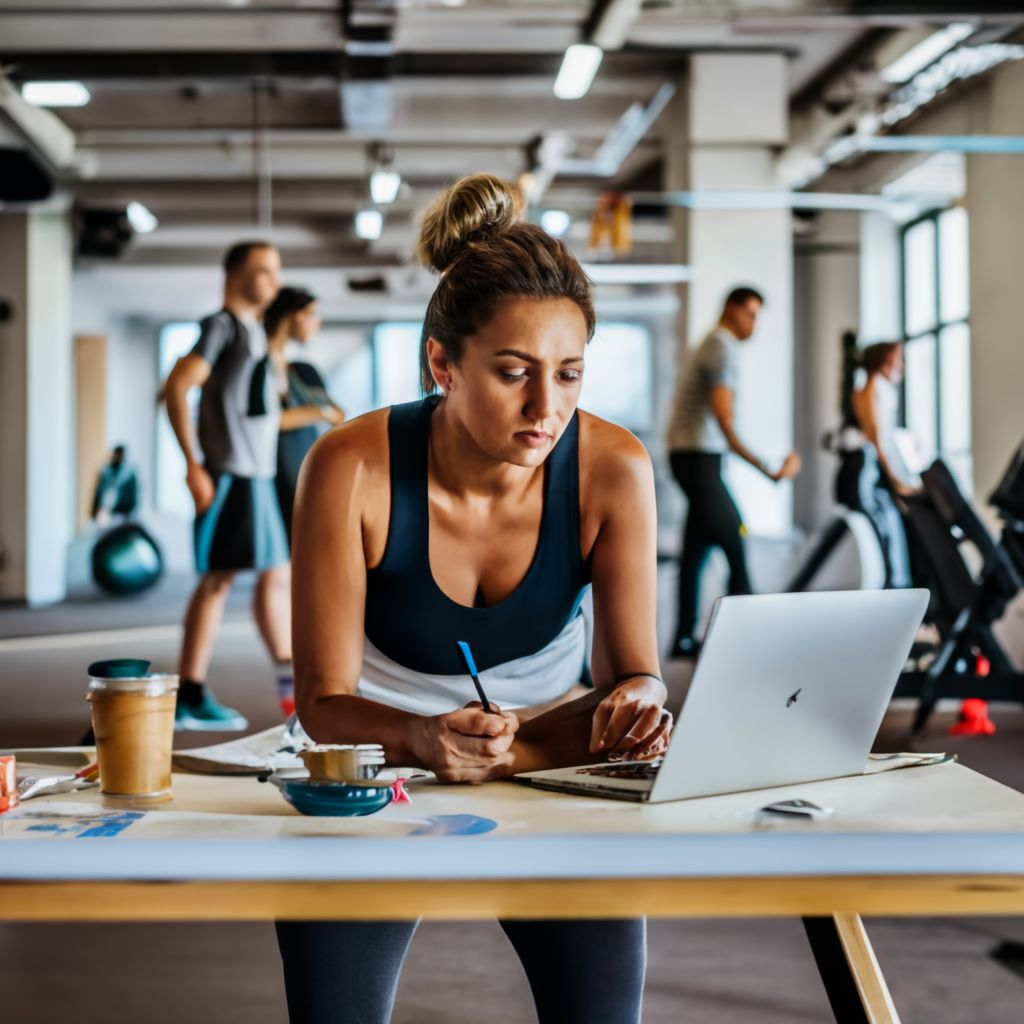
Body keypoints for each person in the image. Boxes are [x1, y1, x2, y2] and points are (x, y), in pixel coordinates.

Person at [279, 173, 673, 1024]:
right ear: (441, 365)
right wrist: (423, 737)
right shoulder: (350, 469)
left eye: (569, 375)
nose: (547, 407)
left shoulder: (614, 469)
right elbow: (321, 702)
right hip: (375, 756)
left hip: (554, 755)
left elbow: (632, 672)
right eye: (513, 372)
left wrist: (644, 698)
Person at [162, 241, 292, 730]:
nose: (272, 282)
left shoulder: (254, 331)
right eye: (262, 272)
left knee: (268, 574)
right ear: (236, 274)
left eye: (275, 272)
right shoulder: (220, 327)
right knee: (219, 580)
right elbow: (177, 386)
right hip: (230, 472)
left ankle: (291, 687)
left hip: (253, 474)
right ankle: (190, 692)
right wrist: (193, 464)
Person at [665, 287, 801, 659]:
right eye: (750, 315)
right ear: (730, 309)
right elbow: (725, 422)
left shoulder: (713, 344)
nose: (754, 324)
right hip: (698, 458)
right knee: (734, 538)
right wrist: (767, 468)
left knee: (695, 552)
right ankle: (750, 641)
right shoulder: (721, 347)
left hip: (693, 457)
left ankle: (682, 639)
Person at [264, 286, 344, 541]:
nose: (316, 322)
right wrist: (317, 412)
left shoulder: (298, 370)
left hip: (299, 467)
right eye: (311, 313)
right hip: (271, 472)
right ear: (292, 315)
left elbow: (338, 414)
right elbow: (267, 420)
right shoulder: (257, 364)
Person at [839, 341, 916, 587]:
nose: (901, 367)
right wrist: (896, 480)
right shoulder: (870, 390)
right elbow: (877, 439)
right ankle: (896, 586)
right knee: (888, 525)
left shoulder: (881, 390)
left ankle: (899, 585)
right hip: (865, 476)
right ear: (883, 361)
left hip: (872, 472)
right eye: (897, 359)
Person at [90, 444, 139, 522]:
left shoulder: (130, 473)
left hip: (125, 511)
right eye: (117, 454)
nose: (119, 457)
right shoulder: (105, 471)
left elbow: (134, 493)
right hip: (107, 510)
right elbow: (98, 492)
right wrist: (94, 512)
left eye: (121, 455)